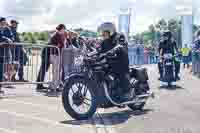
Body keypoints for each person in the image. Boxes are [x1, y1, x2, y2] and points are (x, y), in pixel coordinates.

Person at [97, 22, 130, 101]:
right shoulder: (104, 41)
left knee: (120, 72)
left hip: (120, 62)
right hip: (110, 63)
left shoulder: (119, 36)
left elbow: (121, 45)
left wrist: (114, 50)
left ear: (110, 31)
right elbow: (99, 50)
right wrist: (89, 55)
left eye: (104, 32)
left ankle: (126, 93)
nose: (103, 34)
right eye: (102, 32)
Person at [0, 17, 14, 93]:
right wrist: (6, 39)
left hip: (3, 53)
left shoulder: (7, 29)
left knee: (1, 71)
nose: (3, 24)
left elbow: (12, 38)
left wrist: (8, 40)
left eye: (4, 23)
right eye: (2, 23)